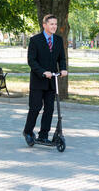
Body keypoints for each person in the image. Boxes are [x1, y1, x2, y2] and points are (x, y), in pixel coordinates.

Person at [23, 14, 68, 144]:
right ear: (44, 25)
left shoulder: (58, 40)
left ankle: (43, 134)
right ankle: (28, 131)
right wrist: (43, 72)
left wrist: (63, 69)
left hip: (52, 81)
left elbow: (61, 58)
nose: (54, 26)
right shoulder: (35, 40)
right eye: (51, 24)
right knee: (35, 107)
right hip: (38, 80)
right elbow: (31, 61)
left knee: (49, 109)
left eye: (55, 24)